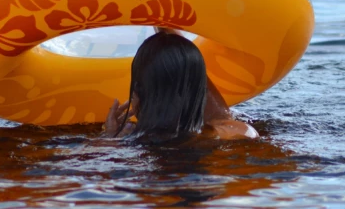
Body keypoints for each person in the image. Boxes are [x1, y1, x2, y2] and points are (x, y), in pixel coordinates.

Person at [103, 29, 258, 143]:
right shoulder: (238, 134)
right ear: (199, 91)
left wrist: (110, 137)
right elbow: (219, 117)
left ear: (136, 93)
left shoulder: (129, 142)